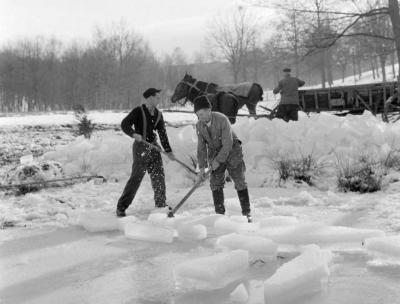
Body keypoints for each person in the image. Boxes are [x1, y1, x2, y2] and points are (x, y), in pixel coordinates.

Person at [116, 88, 175, 217]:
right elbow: (124, 124)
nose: (159, 100)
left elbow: (162, 134)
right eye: (157, 97)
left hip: (154, 147)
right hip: (140, 148)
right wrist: (133, 134)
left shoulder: (158, 114)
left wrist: (168, 151)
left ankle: (160, 204)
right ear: (149, 98)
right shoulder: (138, 111)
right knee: (136, 178)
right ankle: (121, 207)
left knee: (159, 177)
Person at [194, 95, 252, 222]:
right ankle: (219, 215)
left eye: (202, 114)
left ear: (209, 110)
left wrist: (218, 161)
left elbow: (227, 144)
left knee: (239, 181)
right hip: (215, 153)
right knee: (215, 183)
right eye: (198, 115)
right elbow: (201, 149)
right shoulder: (199, 126)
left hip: (232, 150)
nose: (200, 117)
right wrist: (202, 169)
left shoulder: (222, 119)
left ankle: (247, 214)